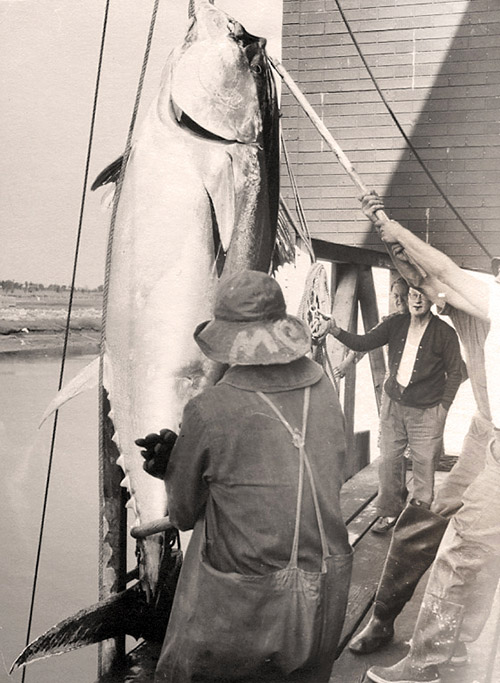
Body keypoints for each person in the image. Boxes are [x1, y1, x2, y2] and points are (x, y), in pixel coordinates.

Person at [138, 270, 353, 683]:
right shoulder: (324, 386)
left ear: (226, 340)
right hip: (327, 587)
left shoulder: (207, 409)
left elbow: (183, 514)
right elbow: (326, 468)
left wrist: (174, 468)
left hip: (250, 607)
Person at [349, 193, 500, 683]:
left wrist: (391, 223)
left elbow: (444, 273)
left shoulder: (489, 298)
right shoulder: (486, 298)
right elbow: (429, 276)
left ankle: (432, 664)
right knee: (427, 517)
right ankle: (383, 619)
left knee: (465, 550)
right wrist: (381, 227)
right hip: (486, 425)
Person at [318, 278, 463, 534]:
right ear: (407, 298)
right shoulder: (395, 324)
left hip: (428, 410)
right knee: (388, 460)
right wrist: (334, 329)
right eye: (413, 294)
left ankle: (418, 516)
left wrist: (443, 409)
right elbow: (363, 343)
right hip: (393, 405)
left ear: (431, 299)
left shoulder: (445, 333)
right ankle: (389, 511)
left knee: (424, 463)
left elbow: (455, 373)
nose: (417, 300)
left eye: (423, 295)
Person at [331, 277, 409, 380]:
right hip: (396, 381)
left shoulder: (425, 322)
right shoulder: (390, 322)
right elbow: (367, 342)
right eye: (395, 296)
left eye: (404, 295)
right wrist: (346, 362)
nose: (399, 300)